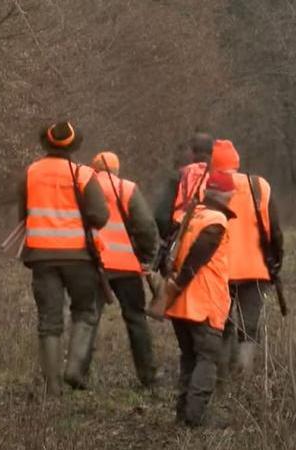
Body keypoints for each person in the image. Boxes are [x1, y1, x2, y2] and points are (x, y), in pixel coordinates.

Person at [18, 122, 109, 394]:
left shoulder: (31, 172)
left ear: (45, 143)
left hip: (41, 256)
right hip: (79, 257)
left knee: (49, 320)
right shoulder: (83, 174)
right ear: (74, 145)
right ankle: (74, 369)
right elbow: (100, 216)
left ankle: (53, 387)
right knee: (84, 310)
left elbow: (24, 213)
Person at [151, 170, 236, 427]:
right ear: (225, 193)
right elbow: (196, 259)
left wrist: (173, 288)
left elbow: (168, 258)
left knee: (189, 357)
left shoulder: (190, 214)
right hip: (204, 302)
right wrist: (179, 283)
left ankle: (182, 414)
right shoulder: (216, 220)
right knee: (207, 358)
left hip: (181, 305)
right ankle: (196, 417)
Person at [210, 140, 284, 377]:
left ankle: (219, 374)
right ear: (236, 161)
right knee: (249, 326)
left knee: (219, 323)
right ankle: (243, 374)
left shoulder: (209, 187)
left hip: (219, 269)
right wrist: (276, 259)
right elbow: (275, 230)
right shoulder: (259, 185)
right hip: (255, 268)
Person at [89, 151, 161, 387]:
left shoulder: (84, 188)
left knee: (89, 318)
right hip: (127, 266)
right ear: (117, 169)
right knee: (135, 319)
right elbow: (146, 226)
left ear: (94, 168)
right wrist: (147, 256)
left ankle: (79, 373)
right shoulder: (127, 188)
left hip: (94, 265)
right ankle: (148, 375)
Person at [154, 133, 214, 239]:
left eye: (185, 149)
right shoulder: (216, 182)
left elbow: (161, 217)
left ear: (193, 153)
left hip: (178, 236)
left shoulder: (180, 179)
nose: (180, 155)